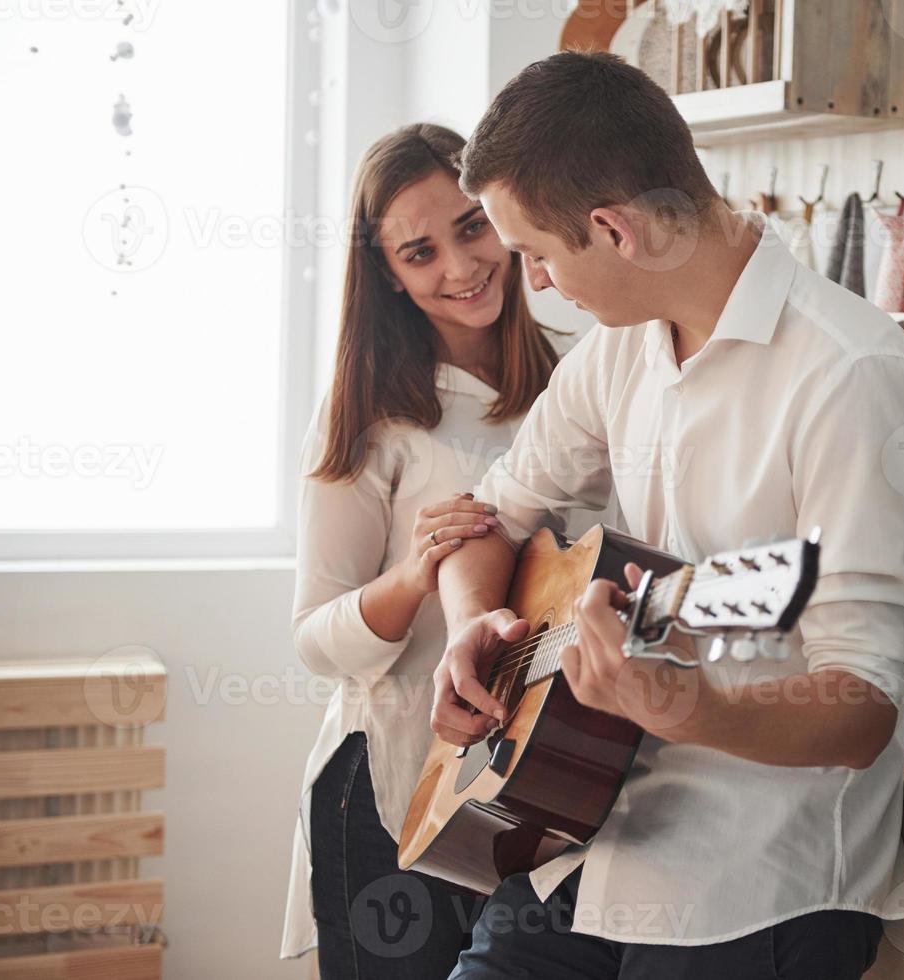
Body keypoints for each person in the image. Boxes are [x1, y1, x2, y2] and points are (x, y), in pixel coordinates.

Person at [430, 52, 904, 979]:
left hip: (754, 894)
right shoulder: (614, 354)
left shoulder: (850, 375)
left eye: (537, 255)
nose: (536, 284)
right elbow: (489, 518)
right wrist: (473, 632)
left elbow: (863, 706)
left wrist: (691, 709)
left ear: (613, 231)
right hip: (576, 850)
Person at [278, 122, 570, 978]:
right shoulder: (367, 417)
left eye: (472, 227)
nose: (460, 266)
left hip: (539, 787)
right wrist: (413, 576)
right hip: (389, 787)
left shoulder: (582, 379)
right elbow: (311, 637)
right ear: (390, 278)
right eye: (419, 252)